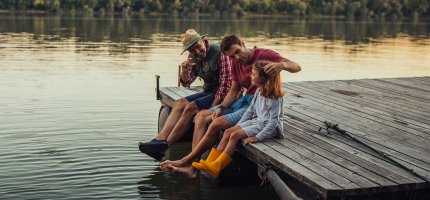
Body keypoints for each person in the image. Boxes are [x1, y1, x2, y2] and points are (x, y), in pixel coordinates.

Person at [160, 34, 301, 178]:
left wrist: (281, 65)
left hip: (255, 103)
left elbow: (297, 67)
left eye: (237, 52)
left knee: (216, 124)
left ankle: (187, 161)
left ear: (243, 43)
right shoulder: (235, 62)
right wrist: (221, 108)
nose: (237, 58)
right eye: (232, 56)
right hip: (243, 99)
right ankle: (193, 168)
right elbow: (234, 90)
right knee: (201, 116)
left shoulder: (264, 55)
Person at [138, 29, 232, 160]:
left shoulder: (219, 52)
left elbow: (226, 87)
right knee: (180, 102)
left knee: (191, 107)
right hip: (209, 91)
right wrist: (184, 71)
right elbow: (187, 82)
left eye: (198, 47)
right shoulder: (192, 56)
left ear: (203, 41)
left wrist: (211, 109)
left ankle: (165, 147)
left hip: (223, 95)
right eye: (192, 50)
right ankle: (159, 140)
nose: (197, 52)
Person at [192, 60, 285, 177]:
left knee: (234, 135)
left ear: (262, 78)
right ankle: (210, 162)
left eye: (253, 74)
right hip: (258, 122)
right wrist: (238, 125)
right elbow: (250, 110)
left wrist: (257, 137)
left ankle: (217, 167)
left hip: (269, 128)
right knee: (228, 132)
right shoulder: (258, 91)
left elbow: (273, 122)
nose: (251, 75)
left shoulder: (273, 97)